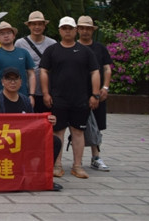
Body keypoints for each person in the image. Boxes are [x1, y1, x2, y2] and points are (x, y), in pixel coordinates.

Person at [40, 16, 100, 179]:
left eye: (70, 28)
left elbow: (95, 72)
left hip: (80, 99)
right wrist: (46, 93)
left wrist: (95, 94)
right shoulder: (52, 50)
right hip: (58, 98)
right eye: (64, 28)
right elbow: (43, 71)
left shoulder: (85, 51)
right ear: (60, 30)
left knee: (78, 132)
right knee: (58, 131)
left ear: (76, 30)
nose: (67, 31)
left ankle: (77, 166)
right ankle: (57, 165)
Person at [0, 67, 64, 191]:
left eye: (15, 79)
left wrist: (47, 121)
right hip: (3, 142)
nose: (12, 82)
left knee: (54, 141)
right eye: (9, 79)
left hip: (24, 140)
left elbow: (33, 123)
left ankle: (41, 177)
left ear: (21, 82)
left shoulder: (25, 100)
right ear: (2, 81)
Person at [76, 15, 113, 172]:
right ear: (77, 30)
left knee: (96, 124)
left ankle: (95, 156)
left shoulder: (99, 48)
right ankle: (73, 161)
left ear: (92, 30)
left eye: (88, 28)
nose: (85, 31)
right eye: (82, 28)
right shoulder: (71, 46)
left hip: (96, 92)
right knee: (74, 126)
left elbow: (107, 68)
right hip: (76, 93)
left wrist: (105, 87)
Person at [15, 11, 57, 113]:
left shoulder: (52, 44)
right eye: (34, 24)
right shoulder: (20, 43)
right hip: (27, 91)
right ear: (29, 26)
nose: (37, 27)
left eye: (40, 24)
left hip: (48, 91)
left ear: (44, 26)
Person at [0, 21, 35, 100]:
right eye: (2, 34)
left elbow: (31, 74)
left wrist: (31, 95)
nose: (6, 36)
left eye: (8, 33)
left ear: (14, 36)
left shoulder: (24, 52)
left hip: (23, 96)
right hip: (2, 97)